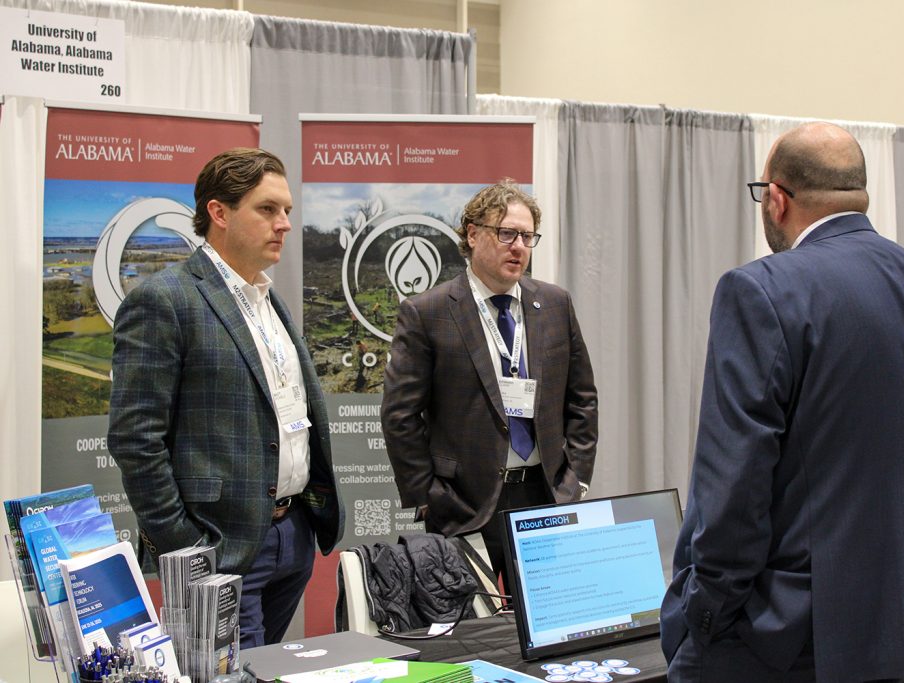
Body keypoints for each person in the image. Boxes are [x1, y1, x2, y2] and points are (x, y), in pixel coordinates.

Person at [660, 122, 904, 683]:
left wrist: (700, 618)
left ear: (776, 198)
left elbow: (733, 486)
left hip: (787, 636)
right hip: (903, 625)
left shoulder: (760, 291)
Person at [108, 148, 344, 648]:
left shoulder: (266, 297)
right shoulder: (165, 299)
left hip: (291, 534)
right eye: (267, 209)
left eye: (287, 212)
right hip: (221, 547)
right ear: (219, 212)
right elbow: (134, 439)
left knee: (268, 672)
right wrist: (188, 551)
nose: (283, 224)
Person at [381, 180, 598, 582]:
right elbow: (400, 417)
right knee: (473, 636)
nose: (519, 246)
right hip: (464, 503)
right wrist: (428, 497)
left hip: (545, 496)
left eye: (528, 236)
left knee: (547, 630)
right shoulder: (427, 312)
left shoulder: (554, 304)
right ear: (473, 233)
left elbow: (582, 399)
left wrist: (577, 480)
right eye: (507, 233)